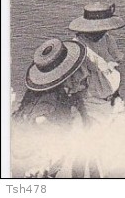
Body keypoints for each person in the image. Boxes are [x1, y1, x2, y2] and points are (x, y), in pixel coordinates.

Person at [13, 38, 93, 178]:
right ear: (65, 76)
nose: (82, 75)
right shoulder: (49, 100)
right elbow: (39, 120)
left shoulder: (54, 94)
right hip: (39, 159)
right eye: (76, 72)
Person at [68, 2, 125, 127]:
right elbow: (76, 88)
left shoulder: (107, 39)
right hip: (90, 104)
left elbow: (112, 72)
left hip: (111, 99)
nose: (100, 33)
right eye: (96, 30)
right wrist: (84, 117)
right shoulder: (78, 49)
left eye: (103, 30)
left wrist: (117, 96)